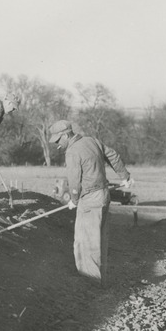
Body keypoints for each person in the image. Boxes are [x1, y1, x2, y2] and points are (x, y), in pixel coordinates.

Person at [48, 120, 131, 286]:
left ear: (66, 135)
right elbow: (113, 155)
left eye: (58, 140)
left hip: (89, 200)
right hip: (104, 195)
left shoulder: (72, 152)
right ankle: (101, 281)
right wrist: (125, 176)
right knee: (100, 239)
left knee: (86, 242)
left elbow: (74, 180)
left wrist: (74, 199)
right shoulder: (92, 141)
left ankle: (90, 284)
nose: (57, 144)